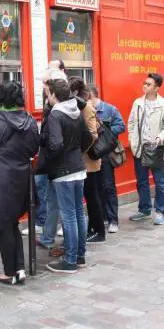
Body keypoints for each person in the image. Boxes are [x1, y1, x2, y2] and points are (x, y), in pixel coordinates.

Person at [0, 82, 40, 285]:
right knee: (12, 223)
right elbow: (34, 148)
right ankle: (19, 268)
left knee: (4, 226)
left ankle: (10, 272)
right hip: (22, 176)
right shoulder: (29, 120)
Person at [38, 78, 90, 274]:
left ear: (53, 94)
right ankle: (80, 256)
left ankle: (69, 260)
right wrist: (75, 152)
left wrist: (52, 160)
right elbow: (88, 138)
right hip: (78, 166)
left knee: (69, 216)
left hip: (63, 170)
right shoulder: (76, 110)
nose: (46, 97)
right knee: (78, 213)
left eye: (47, 93)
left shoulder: (55, 114)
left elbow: (56, 144)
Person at [128, 73, 164, 225]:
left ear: (156, 88)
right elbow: (132, 123)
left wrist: (161, 137)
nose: (145, 86)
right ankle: (145, 209)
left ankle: (161, 211)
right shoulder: (138, 103)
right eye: (145, 83)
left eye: (148, 84)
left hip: (156, 149)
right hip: (140, 148)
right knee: (142, 181)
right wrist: (133, 140)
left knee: (159, 181)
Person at [68, 76, 104, 243]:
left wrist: (79, 150)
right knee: (89, 196)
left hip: (89, 160)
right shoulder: (79, 105)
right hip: (84, 160)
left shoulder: (87, 107)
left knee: (92, 196)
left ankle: (98, 231)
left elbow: (93, 135)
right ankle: (92, 228)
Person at [36, 68, 67, 255]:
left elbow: (54, 142)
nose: (44, 88)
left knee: (66, 206)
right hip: (55, 162)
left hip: (58, 164)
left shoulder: (57, 111)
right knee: (52, 200)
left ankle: (69, 247)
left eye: (47, 84)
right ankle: (48, 237)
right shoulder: (60, 108)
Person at [90, 86, 125, 234]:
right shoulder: (87, 111)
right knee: (95, 187)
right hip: (92, 154)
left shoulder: (110, 110)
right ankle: (102, 217)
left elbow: (121, 126)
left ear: (92, 96)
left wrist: (106, 131)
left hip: (106, 153)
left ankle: (113, 220)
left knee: (108, 186)